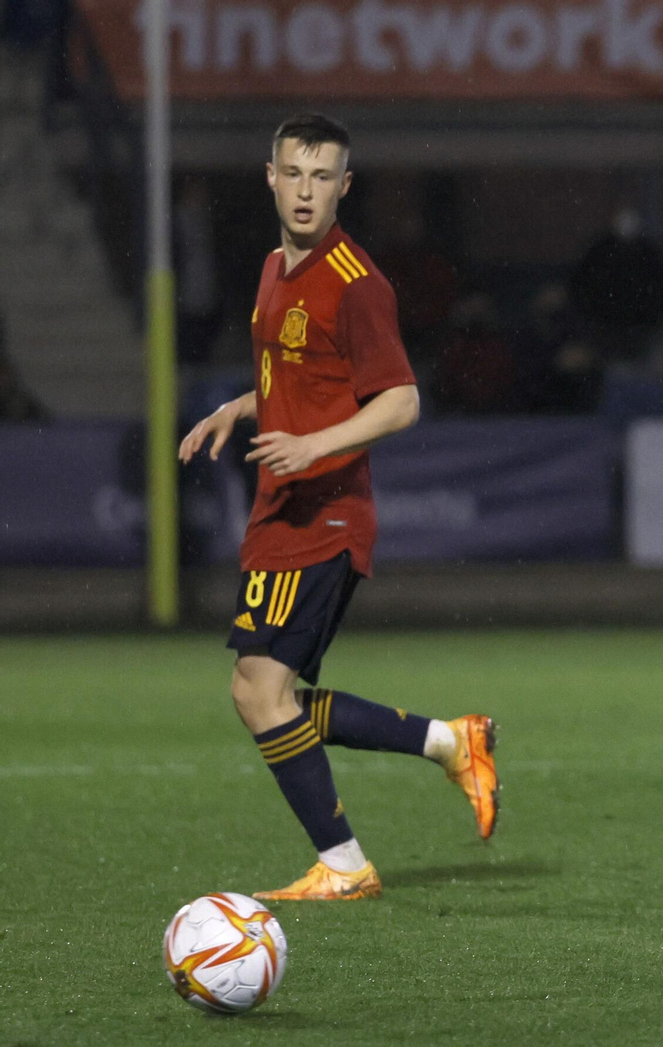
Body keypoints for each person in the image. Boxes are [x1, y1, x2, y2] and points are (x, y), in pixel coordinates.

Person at [178, 114, 499, 901]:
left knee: (258, 691)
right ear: (270, 175)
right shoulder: (272, 268)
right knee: (276, 696)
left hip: (320, 514)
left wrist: (315, 447)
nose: (306, 192)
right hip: (282, 508)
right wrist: (239, 406)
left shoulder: (358, 282)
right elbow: (297, 372)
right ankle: (450, 740)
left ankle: (347, 865)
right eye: (295, 173)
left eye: (323, 178)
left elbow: (399, 401)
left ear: (344, 186)